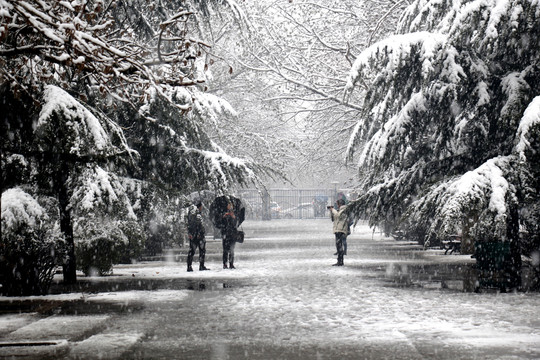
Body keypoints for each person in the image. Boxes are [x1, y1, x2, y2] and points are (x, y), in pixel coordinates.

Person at [186, 201, 209, 272]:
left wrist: (190, 233)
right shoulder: (197, 215)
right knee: (201, 251)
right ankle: (201, 265)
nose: (202, 208)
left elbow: (189, 224)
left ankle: (189, 266)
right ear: (199, 207)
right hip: (199, 236)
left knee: (192, 251)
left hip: (193, 235)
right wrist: (200, 233)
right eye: (201, 206)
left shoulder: (190, 214)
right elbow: (199, 225)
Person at [329, 199, 349, 266]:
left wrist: (333, 210)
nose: (337, 205)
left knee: (339, 246)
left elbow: (338, 215)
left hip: (341, 230)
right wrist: (331, 212)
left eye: (337, 204)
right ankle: (339, 260)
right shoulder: (339, 210)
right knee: (338, 246)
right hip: (338, 229)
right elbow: (333, 219)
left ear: (340, 204)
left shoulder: (344, 210)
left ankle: (340, 261)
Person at [222, 202, 237, 269]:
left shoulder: (234, 213)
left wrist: (233, 217)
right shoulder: (223, 213)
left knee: (232, 250)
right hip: (225, 234)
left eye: (231, 205)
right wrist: (224, 217)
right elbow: (221, 223)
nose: (230, 206)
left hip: (232, 235)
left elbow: (236, 224)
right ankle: (225, 264)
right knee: (225, 250)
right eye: (229, 205)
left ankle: (231, 264)